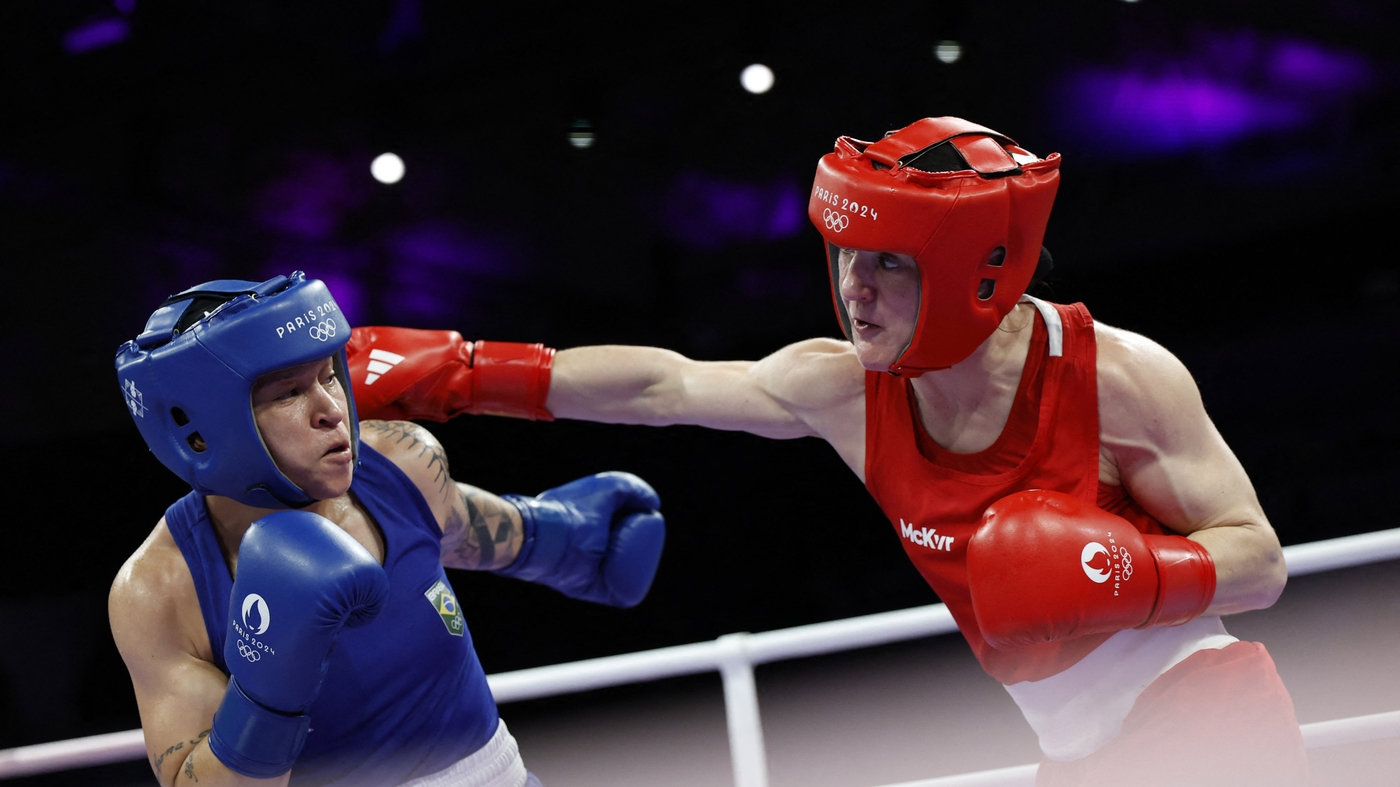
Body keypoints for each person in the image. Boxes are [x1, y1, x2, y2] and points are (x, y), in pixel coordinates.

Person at [345, 118, 1310, 786]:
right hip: (1077, 752)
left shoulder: (1115, 375)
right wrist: (466, 373)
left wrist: (1117, 568)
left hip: (1207, 713)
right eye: (847, 255)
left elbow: (1259, 560)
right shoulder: (845, 387)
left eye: (890, 259)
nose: (856, 289)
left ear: (981, 266)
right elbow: (665, 386)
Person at [108, 271, 666, 787]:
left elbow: (475, 529)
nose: (331, 409)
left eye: (329, 375)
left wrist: (572, 538)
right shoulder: (159, 592)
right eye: (288, 393)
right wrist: (267, 693)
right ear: (199, 434)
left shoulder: (400, 461)